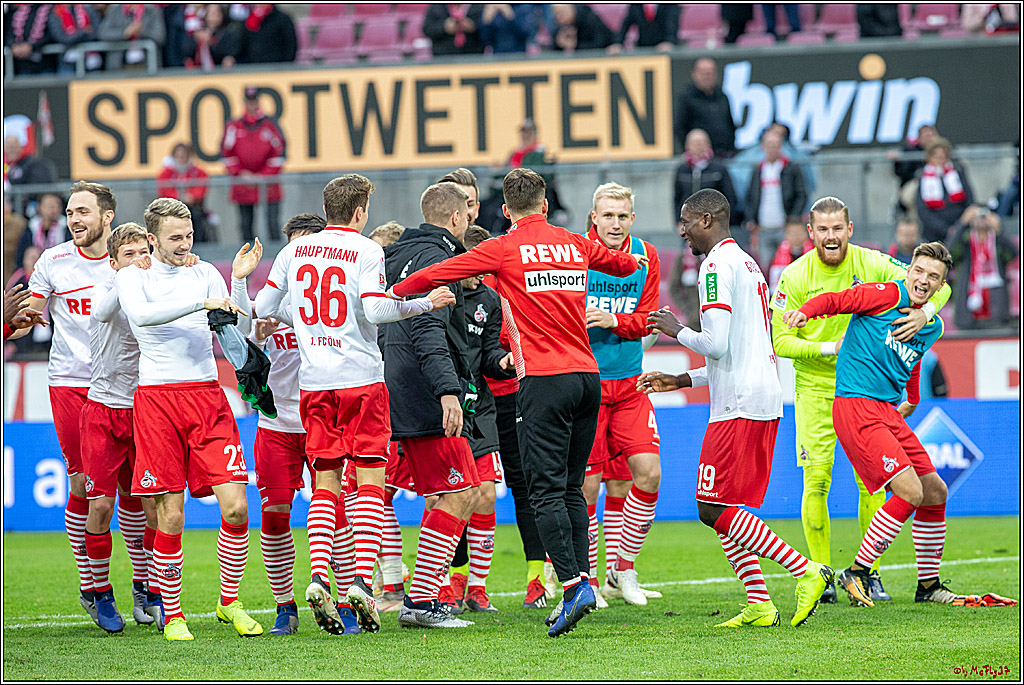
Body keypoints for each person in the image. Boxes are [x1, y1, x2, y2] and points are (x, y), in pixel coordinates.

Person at [387, 168, 644, 637]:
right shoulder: (574, 242)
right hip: (588, 377)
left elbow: (439, 273)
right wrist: (624, 259)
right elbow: (625, 266)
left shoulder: (503, 247)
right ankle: (582, 582)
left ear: (505, 210)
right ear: (545, 205)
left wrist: (395, 292)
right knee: (571, 488)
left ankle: (573, 587)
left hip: (543, 381)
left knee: (543, 491)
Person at [255, 176, 457, 635]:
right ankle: (362, 583)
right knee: (368, 480)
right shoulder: (366, 250)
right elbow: (375, 311)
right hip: (361, 381)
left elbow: (265, 305)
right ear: (361, 210)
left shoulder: (293, 251)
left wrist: (303, 319)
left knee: (325, 482)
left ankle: (318, 577)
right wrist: (423, 304)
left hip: (314, 385)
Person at [784, 242, 1016, 609]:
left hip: (888, 411)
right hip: (856, 405)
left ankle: (928, 586)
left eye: (933, 276)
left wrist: (913, 397)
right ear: (908, 271)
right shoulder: (886, 294)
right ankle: (857, 572)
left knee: (935, 491)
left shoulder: (932, 325)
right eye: (919, 271)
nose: (923, 280)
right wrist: (804, 312)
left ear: (941, 286)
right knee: (909, 492)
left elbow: (914, 357)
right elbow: (838, 300)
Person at [640, 188, 832, 629]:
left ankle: (807, 571)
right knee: (726, 509)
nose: (682, 231)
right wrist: (683, 379)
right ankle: (760, 603)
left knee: (711, 509)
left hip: (739, 404)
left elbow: (716, 343)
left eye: (686, 221)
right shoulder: (748, 264)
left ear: (707, 220)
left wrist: (675, 329)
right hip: (758, 395)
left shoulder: (715, 266)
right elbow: (739, 349)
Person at [770, 195, 951, 605]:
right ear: (811, 232)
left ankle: (876, 577)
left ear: (849, 230)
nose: (831, 236)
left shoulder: (875, 265)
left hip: (878, 398)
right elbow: (781, 341)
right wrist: (827, 345)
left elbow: (929, 295)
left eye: (838, 228)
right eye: (823, 229)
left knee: (890, 487)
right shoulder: (794, 276)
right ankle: (821, 575)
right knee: (818, 480)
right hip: (821, 388)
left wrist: (924, 314)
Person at [117, 197, 262, 641]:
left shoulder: (204, 271)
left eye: (189, 236)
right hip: (158, 400)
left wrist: (238, 282)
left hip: (207, 398)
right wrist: (201, 302)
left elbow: (239, 325)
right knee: (171, 515)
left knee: (237, 507)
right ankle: (174, 613)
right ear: (151, 238)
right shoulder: (133, 276)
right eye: (175, 238)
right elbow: (141, 316)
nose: (185, 245)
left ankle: (229, 602)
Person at [9, 182, 118, 626]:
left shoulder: (128, 260)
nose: (74, 219)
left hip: (123, 386)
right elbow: (29, 318)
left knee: (131, 491)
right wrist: (8, 324)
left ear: (107, 217)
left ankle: (146, 587)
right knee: (84, 488)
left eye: (83, 212)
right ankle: (94, 586)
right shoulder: (54, 261)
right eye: (71, 212)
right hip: (72, 384)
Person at [379, 181, 482, 629]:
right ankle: (420, 602)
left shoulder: (393, 256)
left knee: (442, 491)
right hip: (424, 389)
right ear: (457, 218)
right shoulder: (441, 259)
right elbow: (427, 328)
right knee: (462, 492)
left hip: (393, 384)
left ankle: (409, 595)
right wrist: (447, 390)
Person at [580, 183, 662, 608]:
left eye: (622, 216)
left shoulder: (647, 256)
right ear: (594, 217)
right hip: (586, 385)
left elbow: (650, 319)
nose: (615, 223)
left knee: (647, 474)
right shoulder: (575, 254)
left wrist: (614, 320)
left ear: (633, 218)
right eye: (607, 215)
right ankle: (588, 581)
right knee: (587, 486)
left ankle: (622, 571)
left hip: (631, 385)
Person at [246, 212, 328, 636]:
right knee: (275, 516)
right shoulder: (268, 301)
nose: (298, 253)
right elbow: (243, 360)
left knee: (336, 515)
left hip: (323, 420)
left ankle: (339, 602)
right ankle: (285, 607)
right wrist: (257, 337)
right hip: (276, 424)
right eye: (292, 245)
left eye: (306, 244)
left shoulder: (333, 299)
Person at [81, 223, 162, 634]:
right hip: (104, 410)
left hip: (144, 411)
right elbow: (101, 312)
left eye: (144, 252)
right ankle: (100, 592)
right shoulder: (105, 288)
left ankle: (146, 587)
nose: (139, 260)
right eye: (128, 254)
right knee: (100, 507)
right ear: (113, 263)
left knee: (151, 507)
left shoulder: (157, 289)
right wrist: (130, 276)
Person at [458, 225, 517, 613]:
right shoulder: (438, 295)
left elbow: (489, 355)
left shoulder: (490, 300)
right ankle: (445, 581)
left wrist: (504, 362)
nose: (481, 275)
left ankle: (477, 588)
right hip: (441, 407)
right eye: (476, 266)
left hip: (480, 408)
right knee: (445, 496)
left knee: (484, 495)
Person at [220, 86, 286, 244]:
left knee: (272, 224)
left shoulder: (270, 125)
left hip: (267, 184)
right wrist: (241, 174)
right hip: (244, 184)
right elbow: (226, 154)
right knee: (245, 225)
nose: (252, 104)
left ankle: (275, 254)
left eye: (254, 101)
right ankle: (248, 255)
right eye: (249, 101)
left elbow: (280, 153)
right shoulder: (234, 126)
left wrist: (263, 176)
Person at [744, 128, 808, 269]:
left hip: (784, 227)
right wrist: (751, 219)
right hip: (763, 227)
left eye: (776, 145)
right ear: (763, 147)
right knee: (766, 267)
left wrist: (792, 219)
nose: (772, 148)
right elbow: (750, 196)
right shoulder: (758, 169)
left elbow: (801, 194)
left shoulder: (791, 168)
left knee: (788, 265)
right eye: (769, 145)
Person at [947, 206, 1018, 330]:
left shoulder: (996, 240)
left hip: (995, 310)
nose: (981, 219)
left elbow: (1013, 254)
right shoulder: (965, 240)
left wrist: (999, 230)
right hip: (968, 312)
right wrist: (962, 224)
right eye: (976, 216)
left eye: (984, 216)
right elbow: (948, 255)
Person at [673, 129, 738, 231]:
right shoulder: (682, 170)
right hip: (689, 224)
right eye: (694, 143)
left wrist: (723, 222)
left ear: (708, 144)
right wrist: (678, 220)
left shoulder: (718, 169)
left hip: (713, 225)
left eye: (701, 143)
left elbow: (730, 198)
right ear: (687, 146)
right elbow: (677, 198)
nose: (698, 146)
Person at [915, 137, 975, 245]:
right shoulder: (923, 177)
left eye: (943, 156)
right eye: (936, 156)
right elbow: (923, 211)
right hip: (934, 232)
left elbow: (969, 199)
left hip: (961, 228)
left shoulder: (957, 171)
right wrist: (945, 229)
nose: (940, 159)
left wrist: (961, 225)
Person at [674, 58, 736, 158]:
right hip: (701, 157)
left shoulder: (722, 96)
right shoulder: (687, 98)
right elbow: (680, 128)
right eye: (704, 73)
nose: (708, 77)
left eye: (711, 73)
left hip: (724, 155)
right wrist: (691, 151)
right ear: (694, 74)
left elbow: (730, 124)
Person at [157, 143, 211, 242]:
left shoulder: (197, 171)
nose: (181, 158)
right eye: (178, 156)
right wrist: (178, 197)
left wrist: (192, 196)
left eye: (183, 155)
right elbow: (163, 188)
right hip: (172, 208)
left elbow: (202, 186)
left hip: (193, 206)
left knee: (196, 218)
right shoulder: (167, 172)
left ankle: (198, 243)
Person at [97, 4, 166, 69]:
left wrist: (141, 31)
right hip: (119, 65)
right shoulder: (114, 10)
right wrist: (125, 33)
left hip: (147, 64)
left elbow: (160, 36)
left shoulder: (152, 10)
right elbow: (103, 33)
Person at [16, 192, 70, 270]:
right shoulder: (32, 226)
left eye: (56, 206)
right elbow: (21, 254)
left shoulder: (66, 226)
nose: (53, 210)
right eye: (49, 206)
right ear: (39, 207)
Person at [183, 3, 241, 69]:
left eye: (217, 12)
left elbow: (230, 53)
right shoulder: (198, 32)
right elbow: (186, 52)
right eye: (211, 13)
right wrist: (196, 38)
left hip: (220, 71)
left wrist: (211, 41)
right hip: (199, 70)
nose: (215, 15)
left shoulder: (228, 33)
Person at [47, 4, 102, 74]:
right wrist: (83, 32)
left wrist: (76, 37)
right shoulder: (56, 11)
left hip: (91, 59)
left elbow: (97, 32)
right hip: (68, 62)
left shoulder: (87, 9)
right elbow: (62, 38)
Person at [4, 4, 58, 75]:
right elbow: (9, 31)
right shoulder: (17, 9)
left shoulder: (52, 9)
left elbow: (53, 34)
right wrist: (13, 45)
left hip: (46, 64)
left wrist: (32, 46)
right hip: (22, 65)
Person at [607, 4, 679, 54]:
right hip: (644, 48)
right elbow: (625, 24)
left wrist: (669, 41)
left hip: (663, 48)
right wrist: (617, 43)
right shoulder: (636, 5)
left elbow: (672, 22)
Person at [768, 220, 813, 291]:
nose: (796, 237)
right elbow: (775, 284)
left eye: (799, 233)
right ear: (786, 235)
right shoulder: (778, 254)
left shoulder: (814, 252)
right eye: (792, 233)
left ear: (806, 234)